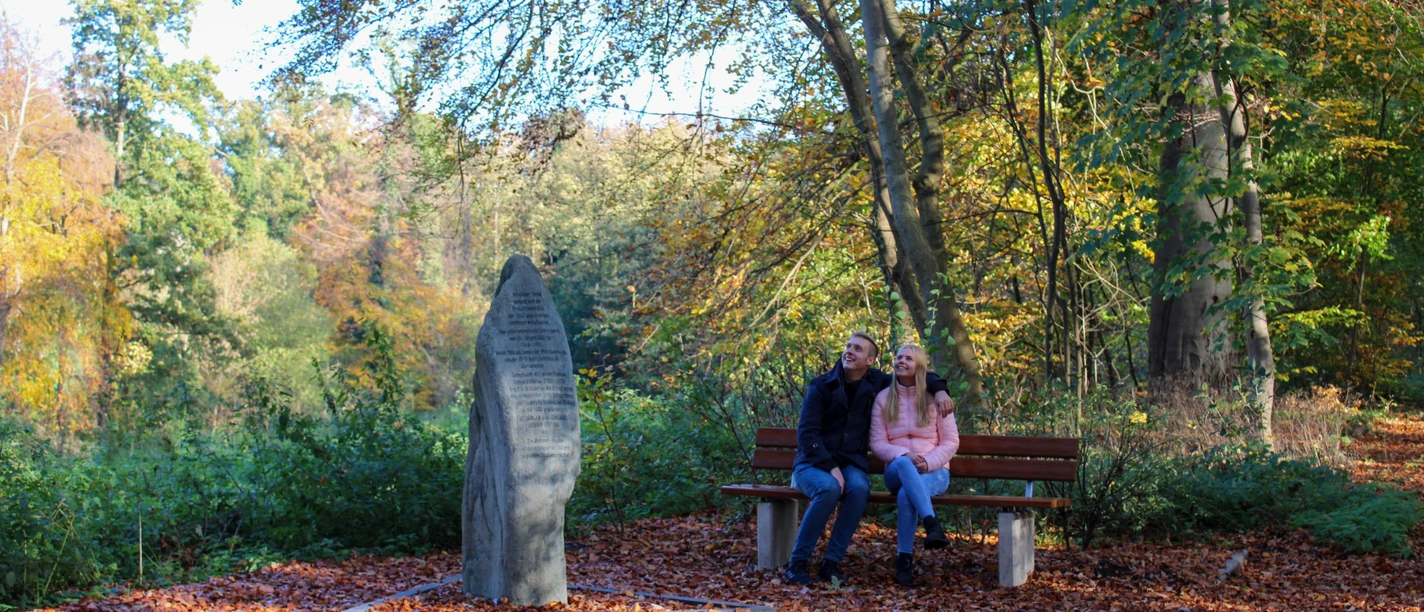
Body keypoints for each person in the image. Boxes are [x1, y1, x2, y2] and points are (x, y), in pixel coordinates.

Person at [785, 331, 955, 585]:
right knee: (829, 488)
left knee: (859, 489)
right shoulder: (822, 385)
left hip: (851, 463)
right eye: (848, 346)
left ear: (870, 361)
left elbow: (916, 373)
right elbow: (807, 433)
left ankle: (831, 563)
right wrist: (830, 467)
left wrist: (940, 390)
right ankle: (797, 562)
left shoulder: (876, 382)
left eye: (857, 349)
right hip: (815, 462)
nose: (849, 351)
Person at [870, 344, 960, 587]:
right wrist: (905, 455)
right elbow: (877, 443)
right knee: (902, 464)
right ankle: (932, 523)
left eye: (908, 358)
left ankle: (904, 561)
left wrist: (929, 462)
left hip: (935, 472)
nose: (901, 361)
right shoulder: (883, 398)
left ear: (919, 365)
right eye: (898, 357)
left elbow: (951, 441)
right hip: (896, 470)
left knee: (905, 495)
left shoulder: (935, 398)